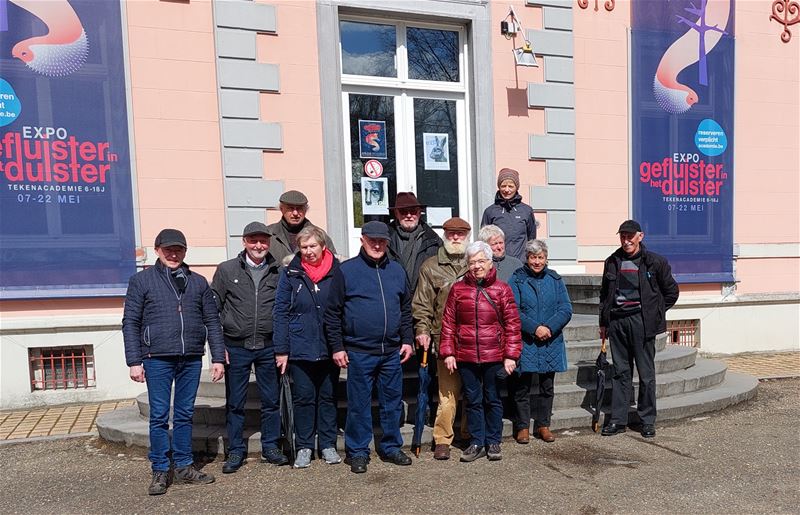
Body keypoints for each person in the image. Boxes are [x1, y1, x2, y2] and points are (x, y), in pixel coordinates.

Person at [122, 228, 225, 495]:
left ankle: (183, 466)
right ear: (157, 250)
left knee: (184, 414)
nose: (173, 253)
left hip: (190, 357)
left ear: (185, 252)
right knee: (158, 416)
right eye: (168, 249)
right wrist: (134, 360)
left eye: (178, 249)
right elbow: (130, 322)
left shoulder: (198, 282)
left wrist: (217, 357)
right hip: (156, 358)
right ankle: (159, 469)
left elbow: (212, 321)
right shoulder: (142, 281)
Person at [325, 221, 415, 474]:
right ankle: (358, 451)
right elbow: (333, 313)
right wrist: (337, 346)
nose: (377, 245)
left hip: (391, 352)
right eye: (372, 240)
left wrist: (407, 340)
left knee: (392, 403)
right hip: (359, 351)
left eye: (382, 241)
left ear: (387, 242)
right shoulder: (347, 271)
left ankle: (390, 446)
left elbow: (406, 309)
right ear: (362, 240)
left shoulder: (397, 270)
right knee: (359, 405)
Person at [211, 222, 288, 473]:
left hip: (269, 346)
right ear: (244, 241)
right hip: (236, 347)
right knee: (235, 402)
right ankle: (235, 450)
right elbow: (214, 310)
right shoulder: (226, 270)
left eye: (263, 241)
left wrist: (282, 348)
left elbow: (285, 310)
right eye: (253, 241)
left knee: (270, 401)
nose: (258, 246)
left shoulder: (279, 271)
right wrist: (217, 348)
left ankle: (271, 446)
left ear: (268, 243)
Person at [439, 241, 522, 463]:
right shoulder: (458, 289)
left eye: (481, 261)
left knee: (492, 399)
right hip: (465, 355)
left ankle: (493, 441)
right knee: (473, 400)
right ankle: (476, 441)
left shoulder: (502, 289)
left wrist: (511, 356)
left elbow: (513, 324)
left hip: (494, 355)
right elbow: (448, 322)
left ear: (490, 261)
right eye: (472, 262)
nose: (476, 266)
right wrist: (448, 352)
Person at [599, 220, 679, 438]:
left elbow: (671, 292)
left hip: (642, 323)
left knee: (646, 375)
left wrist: (655, 313)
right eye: (623, 236)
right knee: (620, 373)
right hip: (618, 322)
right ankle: (618, 421)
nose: (626, 241)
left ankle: (647, 421)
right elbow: (604, 295)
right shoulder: (612, 261)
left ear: (640, 236)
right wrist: (603, 323)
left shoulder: (655, 262)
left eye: (630, 236)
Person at [273, 226, 342, 469]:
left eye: (313, 246)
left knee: (328, 397)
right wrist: (281, 350)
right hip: (300, 346)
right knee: (304, 398)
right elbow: (280, 311)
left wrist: (341, 345)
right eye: (304, 247)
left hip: (329, 345)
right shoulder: (290, 273)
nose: (309, 251)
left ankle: (328, 444)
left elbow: (344, 309)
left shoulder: (337, 271)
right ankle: (304, 446)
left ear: (323, 246)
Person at [412, 217, 471, 461]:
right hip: (443, 338)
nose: (455, 238)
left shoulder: (476, 261)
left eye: (460, 234)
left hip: (472, 339)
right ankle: (442, 439)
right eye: (451, 234)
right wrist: (422, 330)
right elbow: (422, 304)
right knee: (447, 393)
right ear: (444, 236)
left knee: (472, 391)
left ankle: (469, 434)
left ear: (467, 237)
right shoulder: (430, 265)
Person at [508, 239, 573, 444]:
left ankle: (544, 425)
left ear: (546, 259)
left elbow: (566, 308)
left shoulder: (555, 279)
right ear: (527, 259)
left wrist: (549, 328)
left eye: (541, 257)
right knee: (522, 387)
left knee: (547, 387)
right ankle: (522, 427)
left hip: (550, 341)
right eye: (533, 257)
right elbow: (513, 310)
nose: (537, 262)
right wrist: (534, 328)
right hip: (526, 340)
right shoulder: (517, 279)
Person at [387, 191, 442, 291]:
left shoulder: (433, 240)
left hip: (422, 301)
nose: (409, 215)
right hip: (393, 298)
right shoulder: (384, 239)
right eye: (403, 211)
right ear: (396, 213)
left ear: (419, 213)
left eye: (413, 211)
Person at [480, 167, 536, 262]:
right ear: (499, 187)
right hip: (498, 264)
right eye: (503, 186)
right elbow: (483, 240)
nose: (506, 190)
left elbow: (532, 239)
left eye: (510, 186)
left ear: (516, 187)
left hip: (521, 264)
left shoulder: (527, 211)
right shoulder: (490, 211)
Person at [267, 190, 336, 265]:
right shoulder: (269, 234)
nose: (295, 213)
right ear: (281, 209)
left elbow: (333, 264)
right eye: (290, 208)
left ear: (306, 210)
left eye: (299, 208)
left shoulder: (319, 235)